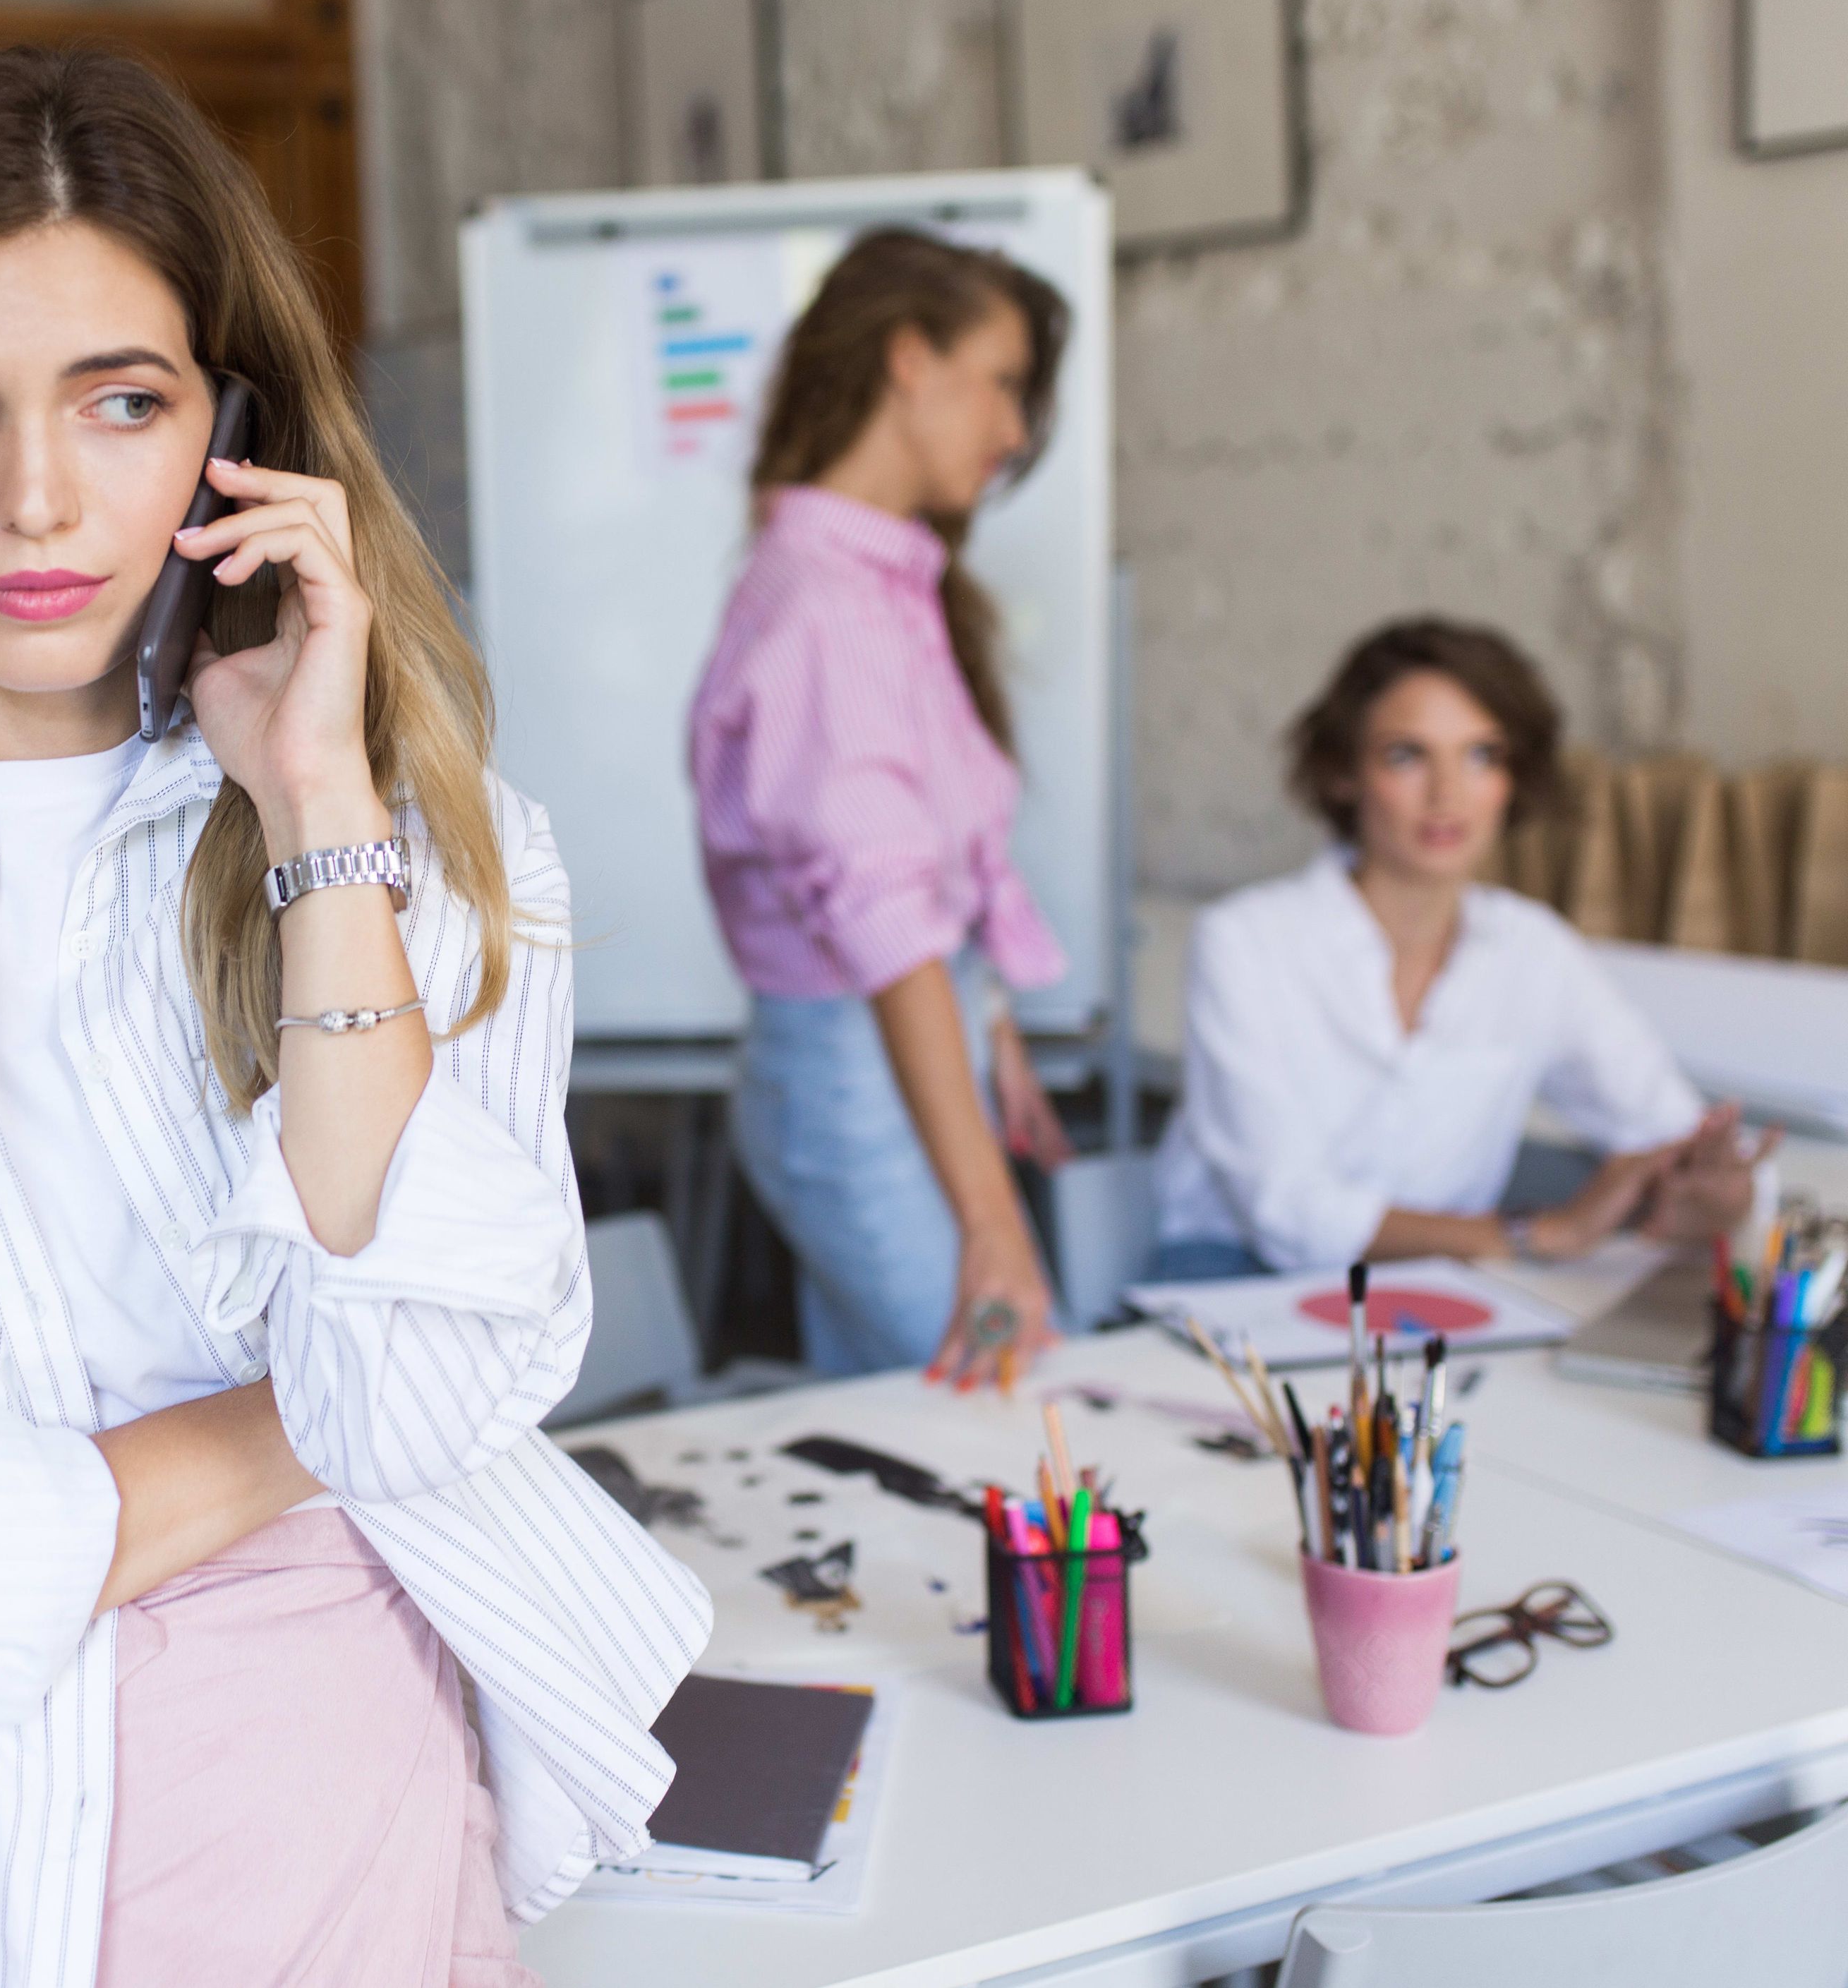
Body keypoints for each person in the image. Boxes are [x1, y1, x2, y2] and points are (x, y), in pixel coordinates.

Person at [0, 47, 708, 1988]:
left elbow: (422, 1388)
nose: (35, 497)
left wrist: (319, 809)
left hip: (339, 1826)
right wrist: (282, 1430)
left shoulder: (433, 846)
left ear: (233, 434)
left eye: (121, 402)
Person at [689, 230, 1077, 1387]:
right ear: (910, 360)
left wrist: (986, 1015)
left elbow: (935, 868)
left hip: (908, 1055)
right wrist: (991, 1218)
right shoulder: (827, 608)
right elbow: (886, 928)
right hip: (863, 1077)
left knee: (925, 1423)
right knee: (988, 1404)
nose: (1014, 433)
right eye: (1003, 381)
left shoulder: (881, 586)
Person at [1152, 618, 1765, 1278]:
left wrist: (1720, 1190)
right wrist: (1542, 1233)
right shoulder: (1244, 942)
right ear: (1343, 774)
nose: (1447, 795)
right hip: (1233, 1280)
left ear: (1514, 777)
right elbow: (1288, 1212)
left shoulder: (1533, 950)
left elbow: (1668, 1128)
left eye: (1481, 756)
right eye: (1406, 756)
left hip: (1430, 1287)